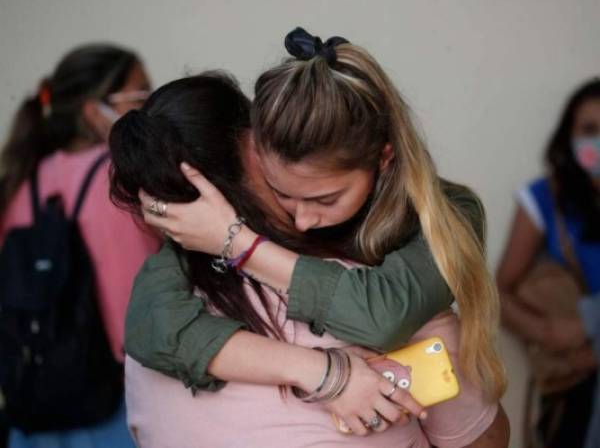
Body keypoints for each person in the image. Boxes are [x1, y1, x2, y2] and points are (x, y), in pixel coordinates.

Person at [123, 29, 508, 445]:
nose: (303, 220)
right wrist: (322, 372)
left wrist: (237, 244)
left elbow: (382, 316)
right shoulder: (182, 271)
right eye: (281, 191)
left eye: (326, 198)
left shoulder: (444, 218)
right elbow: (151, 326)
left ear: (383, 157)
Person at [0, 43, 159, 448]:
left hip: (35, 393)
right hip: (109, 397)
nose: (149, 107)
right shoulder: (114, 176)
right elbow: (135, 305)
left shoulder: (23, 178)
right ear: (93, 110)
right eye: (139, 95)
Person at [497, 79, 600, 448]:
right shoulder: (545, 199)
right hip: (577, 389)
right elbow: (499, 293)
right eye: (589, 130)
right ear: (569, 137)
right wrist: (549, 333)